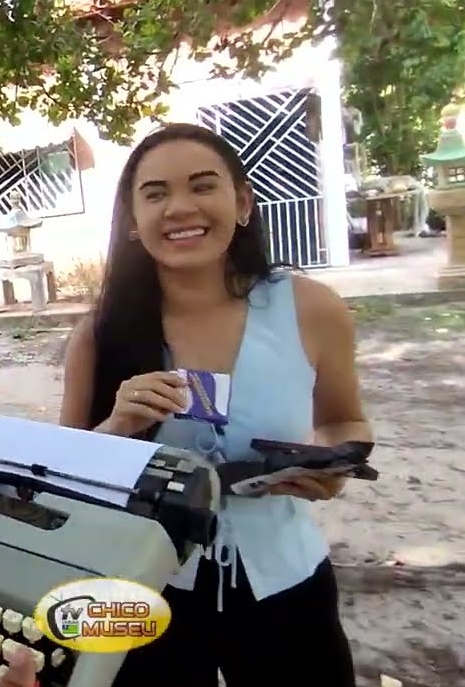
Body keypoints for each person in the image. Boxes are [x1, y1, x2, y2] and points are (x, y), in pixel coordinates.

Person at [59, 123, 366, 687]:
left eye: (203, 186)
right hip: (146, 590)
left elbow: (344, 419)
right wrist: (118, 426)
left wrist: (327, 465)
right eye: (155, 194)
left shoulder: (310, 308)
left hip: (286, 578)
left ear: (242, 202)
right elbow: (62, 481)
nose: (180, 208)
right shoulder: (98, 336)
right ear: (131, 221)